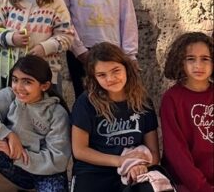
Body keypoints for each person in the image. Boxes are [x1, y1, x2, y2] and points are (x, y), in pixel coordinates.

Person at [0, 55, 70, 192]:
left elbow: (58, 160)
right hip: (14, 168)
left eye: (27, 82)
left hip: (45, 173)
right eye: (15, 80)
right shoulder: (9, 96)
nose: (19, 87)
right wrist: (8, 134)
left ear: (44, 86)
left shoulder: (57, 113)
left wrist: (19, 154)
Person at [71, 42, 165, 191]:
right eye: (102, 75)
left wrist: (138, 165)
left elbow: (154, 153)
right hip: (95, 171)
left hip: (134, 168)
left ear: (127, 69)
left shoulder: (143, 101)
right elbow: (80, 150)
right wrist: (120, 161)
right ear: (94, 77)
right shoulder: (85, 103)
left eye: (116, 71)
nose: (110, 79)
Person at [159, 31, 214, 192]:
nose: (198, 65)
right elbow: (177, 153)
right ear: (180, 62)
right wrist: (204, 188)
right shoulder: (172, 99)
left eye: (205, 59)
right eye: (191, 59)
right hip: (186, 182)